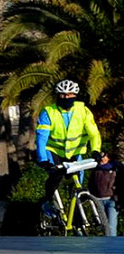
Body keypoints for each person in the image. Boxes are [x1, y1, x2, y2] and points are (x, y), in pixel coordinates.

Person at [36, 79, 102, 215]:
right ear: (57, 95)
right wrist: (43, 160)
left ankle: (79, 215)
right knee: (55, 176)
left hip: (75, 152)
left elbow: (94, 134)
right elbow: (41, 138)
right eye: (62, 95)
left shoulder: (83, 111)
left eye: (70, 95)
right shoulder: (48, 112)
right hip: (53, 151)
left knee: (77, 184)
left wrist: (96, 150)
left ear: (75, 96)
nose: (66, 98)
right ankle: (47, 201)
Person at [88, 151, 124, 236]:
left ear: (108, 157)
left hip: (111, 200)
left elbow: (121, 184)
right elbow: (91, 184)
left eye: (103, 156)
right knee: (102, 227)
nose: (101, 159)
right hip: (98, 201)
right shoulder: (95, 169)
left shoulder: (116, 168)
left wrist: (119, 198)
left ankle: (111, 247)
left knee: (111, 227)